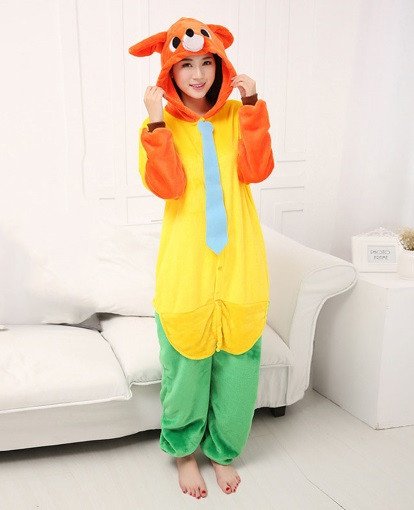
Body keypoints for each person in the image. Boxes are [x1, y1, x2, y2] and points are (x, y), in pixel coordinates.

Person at [129, 17, 274, 500]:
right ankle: (184, 452)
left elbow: (257, 169)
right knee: (186, 364)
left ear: (220, 65)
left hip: (240, 262)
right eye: (186, 64)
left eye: (206, 63)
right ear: (169, 70)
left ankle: (223, 451)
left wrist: (252, 106)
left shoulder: (237, 115)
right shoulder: (157, 125)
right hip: (187, 264)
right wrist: (155, 122)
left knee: (239, 364)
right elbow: (168, 186)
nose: (197, 74)